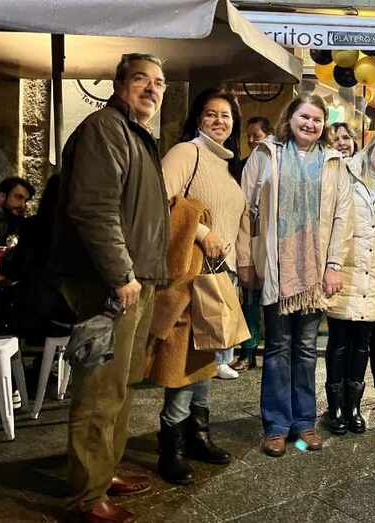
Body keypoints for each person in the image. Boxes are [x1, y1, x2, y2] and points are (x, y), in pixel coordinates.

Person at [51, 53, 169, 523]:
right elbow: (94, 208)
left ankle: (105, 470)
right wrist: (121, 275)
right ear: (119, 84)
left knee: (118, 389)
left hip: (134, 282)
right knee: (99, 393)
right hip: (109, 285)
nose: (152, 89)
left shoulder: (135, 135)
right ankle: (86, 498)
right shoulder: (106, 129)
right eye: (142, 79)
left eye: (159, 82)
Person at [147, 88, 250, 484]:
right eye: (211, 114)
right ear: (197, 118)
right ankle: (169, 444)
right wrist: (203, 231)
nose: (219, 121)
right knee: (183, 361)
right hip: (190, 274)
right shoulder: (186, 153)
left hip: (217, 275)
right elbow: (160, 197)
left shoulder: (226, 164)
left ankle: (197, 434)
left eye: (226, 116)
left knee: (208, 356)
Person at [244, 94, 351, 457]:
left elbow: (341, 217)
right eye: (304, 117)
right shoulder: (265, 154)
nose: (310, 124)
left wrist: (334, 264)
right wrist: (248, 259)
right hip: (277, 266)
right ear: (290, 118)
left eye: (317, 120)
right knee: (276, 348)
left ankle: (304, 423)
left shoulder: (334, 162)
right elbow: (248, 210)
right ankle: (275, 426)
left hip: (314, 271)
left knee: (306, 349)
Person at [324, 127, 375, 435]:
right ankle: (335, 407)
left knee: (362, 345)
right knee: (339, 342)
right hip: (344, 269)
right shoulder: (346, 171)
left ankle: (354, 405)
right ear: (371, 146)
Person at [235, 116, 273, 372]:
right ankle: (248, 351)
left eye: (255, 136)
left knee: (269, 302)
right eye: (248, 136)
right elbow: (245, 203)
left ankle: (269, 353)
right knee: (251, 298)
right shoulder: (254, 159)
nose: (250, 140)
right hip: (255, 234)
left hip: (275, 241)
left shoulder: (275, 154)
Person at [0, 176, 34, 254]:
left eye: (25, 201)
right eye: (19, 197)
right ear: (2, 196)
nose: (23, 205)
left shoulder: (21, 223)